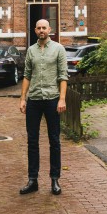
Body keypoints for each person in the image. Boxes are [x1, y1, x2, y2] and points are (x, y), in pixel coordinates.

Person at [19, 18, 68, 196]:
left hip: (52, 99)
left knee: (54, 140)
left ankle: (55, 179)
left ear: (50, 29)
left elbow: (63, 76)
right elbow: (27, 75)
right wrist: (22, 98)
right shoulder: (31, 50)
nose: (41, 30)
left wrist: (62, 99)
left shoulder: (58, 49)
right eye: (39, 28)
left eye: (44, 28)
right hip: (34, 100)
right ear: (35, 30)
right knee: (32, 141)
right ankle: (33, 180)